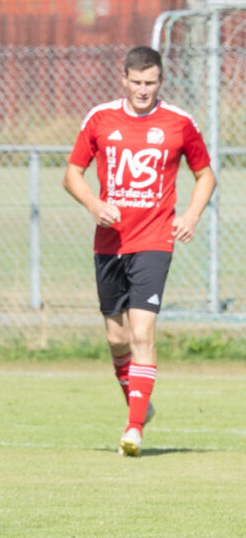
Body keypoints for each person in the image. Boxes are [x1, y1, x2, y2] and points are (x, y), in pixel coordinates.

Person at [63, 45, 214, 457]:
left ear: (161, 81)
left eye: (151, 82)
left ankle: (133, 430)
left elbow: (205, 175)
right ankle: (139, 405)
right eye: (137, 82)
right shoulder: (100, 118)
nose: (143, 90)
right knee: (117, 338)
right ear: (124, 80)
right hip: (109, 242)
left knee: (143, 332)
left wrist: (191, 215)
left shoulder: (179, 123)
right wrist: (94, 205)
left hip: (154, 240)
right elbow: (72, 174)